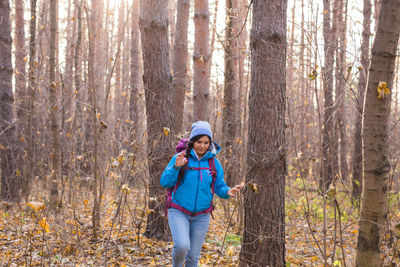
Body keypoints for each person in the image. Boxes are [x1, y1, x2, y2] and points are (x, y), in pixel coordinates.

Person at [160, 121, 243, 267]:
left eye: (206, 142)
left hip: (202, 215)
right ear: (192, 142)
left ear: (210, 143)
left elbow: (219, 186)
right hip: (179, 210)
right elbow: (165, 182)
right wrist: (175, 167)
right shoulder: (180, 158)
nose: (202, 146)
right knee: (182, 246)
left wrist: (227, 192)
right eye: (199, 141)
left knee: (193, 257)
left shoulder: (213, 163)